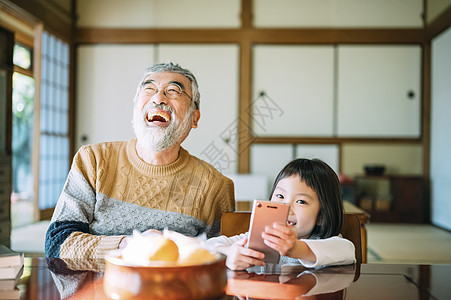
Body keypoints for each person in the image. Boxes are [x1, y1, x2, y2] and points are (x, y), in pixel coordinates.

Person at [45, 62, 235, 259]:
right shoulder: (93, 160)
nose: (158, 98)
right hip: (97, 288)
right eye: (149, 89)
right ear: (134, 113)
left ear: (194, 118)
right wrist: (130, 245)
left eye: (173, 91)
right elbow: (57, 242)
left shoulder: (215, 185)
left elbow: (220, 259)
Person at [205, 158, 355, 270]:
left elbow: (346, 250)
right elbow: (207, 247)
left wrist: (295, 249)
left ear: (321, 217)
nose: (286, 207)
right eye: (280, 197)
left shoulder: (325, 242)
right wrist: (229, 252)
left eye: (301, 201)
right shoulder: (256, 239)